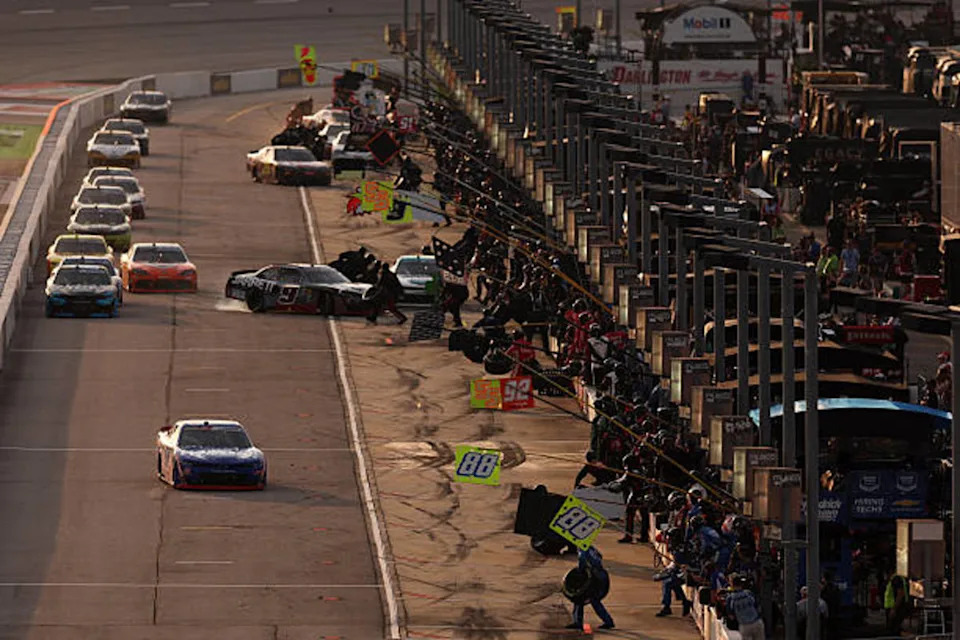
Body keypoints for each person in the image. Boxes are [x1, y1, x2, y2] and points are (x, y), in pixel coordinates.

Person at [567, 546, 615, 631]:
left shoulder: (582, 549)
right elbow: (600, 556)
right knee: (594, 601)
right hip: (601, 574)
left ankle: (578, 622)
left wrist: (581, 572)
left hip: (595, 577)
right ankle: (608, 621)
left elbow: (582, 561)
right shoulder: (590, 547)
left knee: (580, 599)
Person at [723, 574, 765, 640]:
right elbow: (757, 606)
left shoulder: (730, 598)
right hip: (757, 622)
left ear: (731, 584)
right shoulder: (748, 593)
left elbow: (731, 616)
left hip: (744, 625)